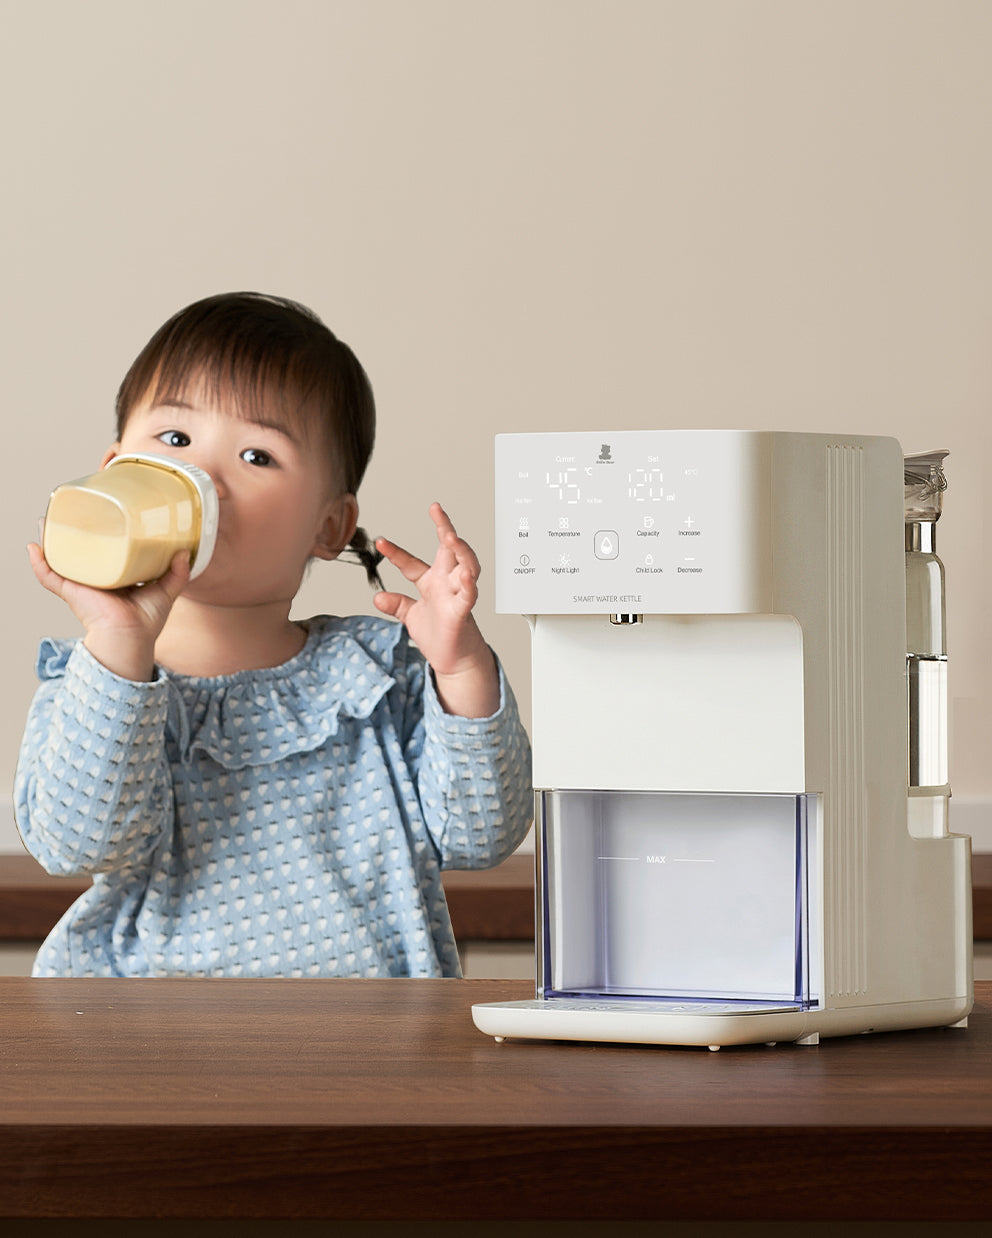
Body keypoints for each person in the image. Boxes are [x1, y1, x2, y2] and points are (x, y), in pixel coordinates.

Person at [14, 291, 532, 978]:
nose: (203, 477)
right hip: (145, 1054)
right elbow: (80, 848)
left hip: (372, 1057)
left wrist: (461, 668)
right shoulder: (96, 683)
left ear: (328, 528)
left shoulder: (378, 678)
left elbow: (479, 837)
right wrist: (117, 639)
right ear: (117, 472)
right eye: (174, 440)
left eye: (257, 455)